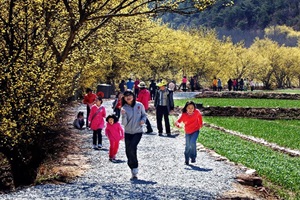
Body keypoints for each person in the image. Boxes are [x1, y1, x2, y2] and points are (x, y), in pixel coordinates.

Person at [121, 90, 147, 180]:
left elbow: (144, 115)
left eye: (130, 95)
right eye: (126, 96)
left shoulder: (139, 105)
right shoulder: (124, 108)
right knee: (128, 151)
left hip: (138, 131)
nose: (128, 97)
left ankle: (135, 167)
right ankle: (132, 167)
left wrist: (143, 120)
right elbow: (124, 123)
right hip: (128, 132)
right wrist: (123, 115)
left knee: (133, 147)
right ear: (124, 98)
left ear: (133, 96)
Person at [175, 101, 203, 165]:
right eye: (189, 108)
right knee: (187, 146)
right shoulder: (184, 115)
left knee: (192, 142)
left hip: (196, 130)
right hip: (188, 132)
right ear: (186, 108)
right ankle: (186, 159)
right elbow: (177, 121)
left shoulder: (197, 112)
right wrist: (178, 125)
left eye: (192, 108)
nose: (190, 109)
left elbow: (200, 117)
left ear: (194, 108)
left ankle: (193, 156)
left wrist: (201, 124)